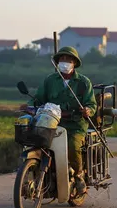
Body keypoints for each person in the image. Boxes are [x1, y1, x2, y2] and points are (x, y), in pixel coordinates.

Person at [28, 46, 97, 195]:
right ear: (57, 62)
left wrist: (87, 110)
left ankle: (79, 177)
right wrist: (30, 105)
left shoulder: (84, 82)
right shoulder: (50, 80)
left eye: (68, 59)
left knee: (72, 145)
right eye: (62, 59)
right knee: (34, 140)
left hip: (75, 125)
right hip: (51, 122)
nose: (65, 62)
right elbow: (39, 99)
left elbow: (91, 104)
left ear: (74, 63)